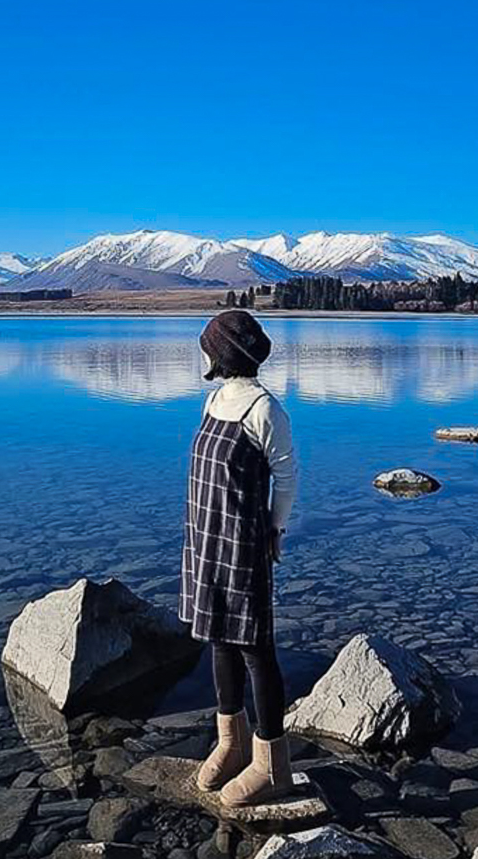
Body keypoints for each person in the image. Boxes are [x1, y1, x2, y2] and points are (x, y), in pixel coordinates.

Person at [178, 309, 296, 806]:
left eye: (208, 346)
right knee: (217, 640)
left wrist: (275, 527)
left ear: (221, 354)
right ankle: (232, 742)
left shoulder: (264, 411)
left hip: (243, 543)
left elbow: (287, 479)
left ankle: (273, 765)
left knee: (254, 649)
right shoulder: (214, 400)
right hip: (206, 538)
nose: (203, 353)